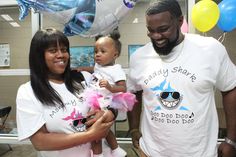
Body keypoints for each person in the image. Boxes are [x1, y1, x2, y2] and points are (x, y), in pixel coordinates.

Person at [127, 0, 236, 157]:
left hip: (200, 153)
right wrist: (134, 128)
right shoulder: (139, 57)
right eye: (150, 31)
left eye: (163, 29)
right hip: (150, 152)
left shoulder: (210, 49)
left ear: (180, 21)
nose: (156, 36)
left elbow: (230, 88)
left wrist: (231, 139)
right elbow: (133, 92)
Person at [16, 28, 116, 157]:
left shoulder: (84, 77)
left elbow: (112, 101)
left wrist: (109, 113)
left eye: (64, 50)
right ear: (38, 56)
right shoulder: (28, 92)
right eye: (53, 51)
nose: (61, 55)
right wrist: (90, 135)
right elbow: (40, 142)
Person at [83, 30, 136, 157]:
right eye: (96, 52)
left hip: (107, 101)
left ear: (115, 54)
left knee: (94, 128)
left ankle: (97, 154)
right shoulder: (98, 65)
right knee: (103, 130)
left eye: (102, 51)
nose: (97, 55)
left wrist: (110, 87)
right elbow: (94, 69)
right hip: (95, 100)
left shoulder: (116, 70)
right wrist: (82, 69)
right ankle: (116, 149)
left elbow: (122, 87)